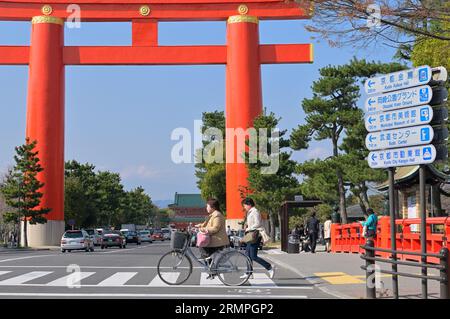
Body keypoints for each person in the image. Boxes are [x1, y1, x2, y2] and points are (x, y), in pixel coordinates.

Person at [241, 198, 275, 279]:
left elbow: (258, 223)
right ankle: (249, 272)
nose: (244, 207)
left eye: (245, 205)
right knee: (247, 254)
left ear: (249, 205)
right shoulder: (250, 212)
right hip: (251, 235)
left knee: (253, 256)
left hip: (255, 235)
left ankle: (269, 267)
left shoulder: (255, 211)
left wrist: (248, 228)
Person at [195, 198, 229, 278]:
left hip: (218, 240)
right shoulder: (212, 215)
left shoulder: (217, 215)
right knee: (205, 253)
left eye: (207, 206)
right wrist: (199, 225)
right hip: (214, 239)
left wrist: (203, 229)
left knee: (203, 248)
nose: (206, 208)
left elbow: (215, 228)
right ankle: (212, 270)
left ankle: (212, 270)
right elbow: (205, 224)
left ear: (212, 207)